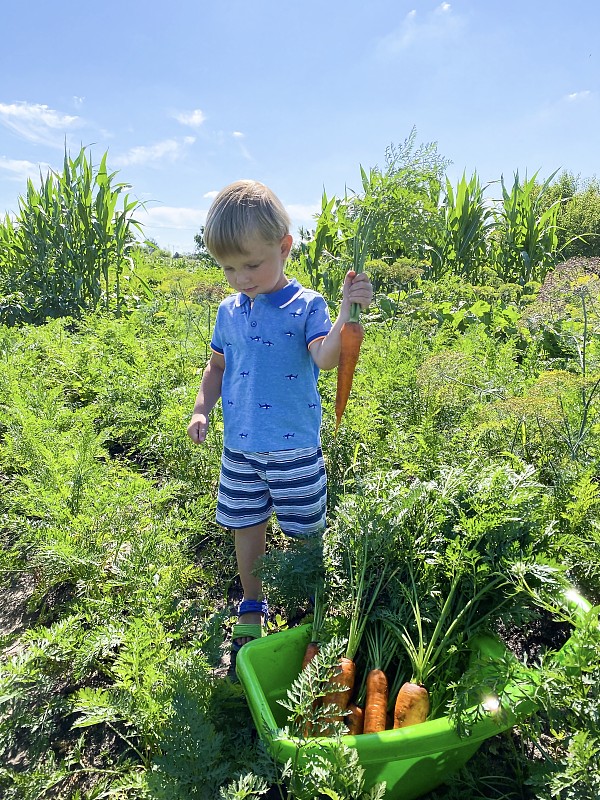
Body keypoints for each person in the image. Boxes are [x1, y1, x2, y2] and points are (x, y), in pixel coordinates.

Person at [187, 180, 372, 669]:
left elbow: (327, 358)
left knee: (305, 532)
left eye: (252, 264)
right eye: (228, 268)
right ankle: (253, 600)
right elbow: (217, 367)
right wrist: (202, 407)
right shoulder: (228, 310)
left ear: (284, 248)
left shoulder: (305, 305)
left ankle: (311, 598)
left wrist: (347, 316)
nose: (241, 277)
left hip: (294, 451)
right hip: (241, 451)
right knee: (246, 526)